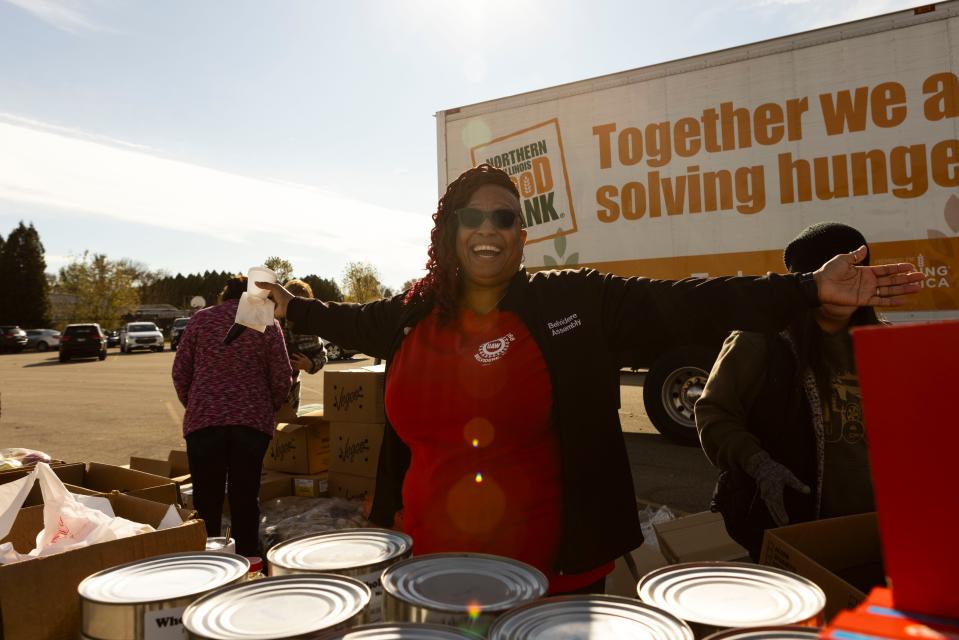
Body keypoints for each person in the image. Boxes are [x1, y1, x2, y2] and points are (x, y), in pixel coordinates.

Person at [256, 164, 920, 594]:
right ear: (448, 232)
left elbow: (694, 302)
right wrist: (285, 302)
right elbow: (344, 317)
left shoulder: (572, 300)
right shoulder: (409, 313)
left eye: (506, 217)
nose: (491, 228)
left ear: (521, 237)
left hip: (556, 577)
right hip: (429, 567)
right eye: (474, 217)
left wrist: (803, 290)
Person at [695, 222, 883, 560]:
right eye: (831, 271)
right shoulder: (761, 339)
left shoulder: (888, 343)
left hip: (879, 532)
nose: (844, 282)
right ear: (806, 281)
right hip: (794, 529)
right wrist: (758, 464)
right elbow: (714, 413)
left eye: (855, 271)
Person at [172, 275, 292, 556]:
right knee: (245, 499)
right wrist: (267, 406)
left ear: (224, 295)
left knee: (206, 501)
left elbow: (180, 371)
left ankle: (205, 565)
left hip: (204, 424)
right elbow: (282, 377)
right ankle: (248, 562)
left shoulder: (201, 320)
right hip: (250, 424)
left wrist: (198, 404)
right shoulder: (266, 322)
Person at [275, 278, 327, 423]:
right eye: (293, 304)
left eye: (302, 304)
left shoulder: (310, 328)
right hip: (266, 389)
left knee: (288, 432)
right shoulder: (272, 320)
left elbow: (321, 355)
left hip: (292, 390)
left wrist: (309, 364)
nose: (297, 310)